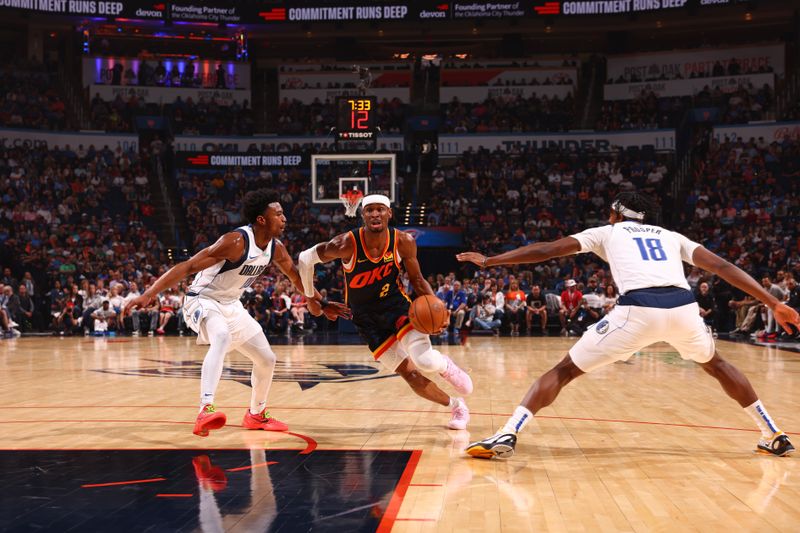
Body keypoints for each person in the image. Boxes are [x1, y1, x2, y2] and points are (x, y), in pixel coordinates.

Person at [458, 191, 799, 459]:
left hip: (638, 310)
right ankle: (772, 434)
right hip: (683, 308)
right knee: (718, 365)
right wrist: (774, 303)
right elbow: (723, 266)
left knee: (564, 371)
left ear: (618, 214)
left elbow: (547, 250)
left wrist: (492, 260)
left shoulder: (606, 231)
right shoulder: (671, 236)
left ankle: (509, 432)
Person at [125, 189, 349, 437]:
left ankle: (256, 414)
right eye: (278, 214)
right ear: (262, 220)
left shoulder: (276, 248)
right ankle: (205, 409)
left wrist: (322, 301)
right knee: (221, 336)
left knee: (267, 359)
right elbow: (188, 266)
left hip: (232, 305)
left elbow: (297, 279)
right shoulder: (235, 241)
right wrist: (148, 294)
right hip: (202, 300)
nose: (284, 218)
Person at [298, 194, 473, 430]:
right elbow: (304, 259)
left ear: (389, 213)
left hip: (397, 307)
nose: (375, 214)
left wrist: (436, 307)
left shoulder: (403, 241)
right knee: (410, 375)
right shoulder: (345, 244)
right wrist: (313, 298)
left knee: (424, 360)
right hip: (366, 320)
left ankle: (445, 366)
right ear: (362, 215)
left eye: (380, 209)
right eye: (369, 210)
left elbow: (417, 280)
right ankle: (456, 406)